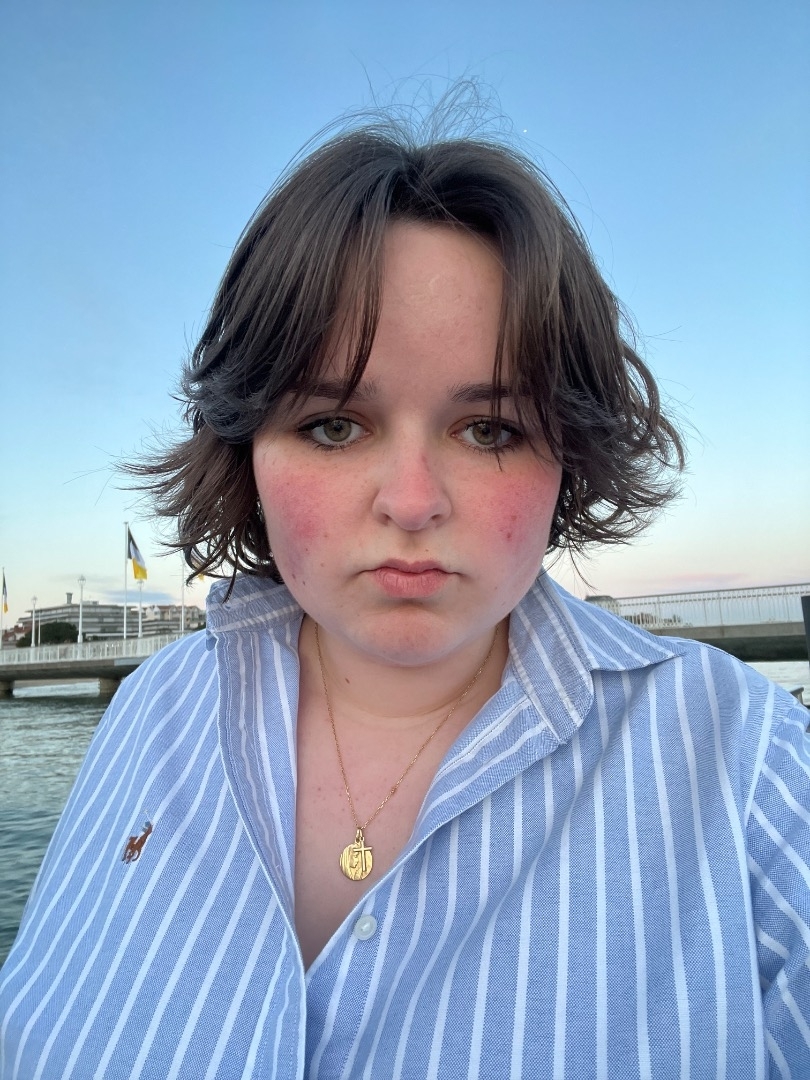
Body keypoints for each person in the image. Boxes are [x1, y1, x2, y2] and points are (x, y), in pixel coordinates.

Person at [1, 113, 808, 1080]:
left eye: (491, 429)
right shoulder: (148, 714)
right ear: (247, 450)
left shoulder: (751, 766)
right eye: (336, 426)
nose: (414, 501)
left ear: (570, 456)